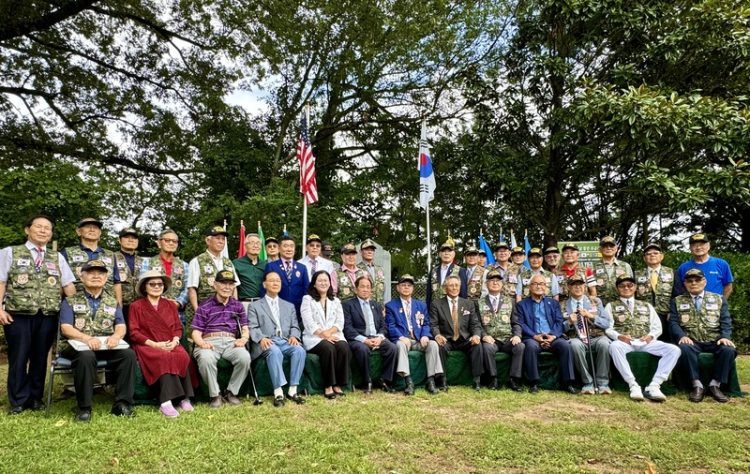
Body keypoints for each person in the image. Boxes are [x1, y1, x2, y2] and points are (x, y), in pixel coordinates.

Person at [0, 215, 76, 414]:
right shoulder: (10, 252)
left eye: (47, 228)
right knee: (19, 356)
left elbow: (68, 286)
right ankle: (18, 400)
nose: (43, 231)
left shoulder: (57, 257)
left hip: (48, 314)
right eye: (39, 227)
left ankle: (35, 398)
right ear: (27, 230)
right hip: (17, 314)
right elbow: (1, 282)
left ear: (51, 234)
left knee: (40, 357)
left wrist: (76, 310)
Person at [59, 260, 136, 422]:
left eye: (100, 273)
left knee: (128, 354)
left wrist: (116, 336)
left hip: (105, 348)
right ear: (82, 276)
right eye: (91, 272)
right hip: (76, 347)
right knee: (87, 356)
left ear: (106, 277)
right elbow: (66, 328)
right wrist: (87, 339)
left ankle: (122, 403)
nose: (96, 276)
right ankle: (84, 408)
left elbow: (121, 326)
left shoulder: (112, 301)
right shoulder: (70, 300)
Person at [128, 270, 193, 417]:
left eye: (160, 284)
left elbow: (177, 327)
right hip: (148, 344)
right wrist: (155, 345)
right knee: (163, 358)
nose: (157, 286)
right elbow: (134, 332)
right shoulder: (136, 306)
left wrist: (175, 341)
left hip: (170, 342)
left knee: (183, 356)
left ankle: (184, 398)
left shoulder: (170, 305)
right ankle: (165, 402)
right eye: (152, 284)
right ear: (145, 287)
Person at [605, 275, 680, 402]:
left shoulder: (646, 305)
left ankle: (654, 385)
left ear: (635, 288)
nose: (626, 288)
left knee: (674, 350)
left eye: (630, 285)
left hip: (645, 342)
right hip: (625, 342)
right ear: (617, 289)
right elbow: (608, 328)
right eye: (622, 286)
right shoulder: (610, 306)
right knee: (613, 346)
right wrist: (619, 336)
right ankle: (633, 384)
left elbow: (657, 327)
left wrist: (651, 336)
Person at [669, 269, 736, 403]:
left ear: (704, 282)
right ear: (685, 283)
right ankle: (697, 385)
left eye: (697, 280)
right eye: (689, 281)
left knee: (729, 350)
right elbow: (674, 322)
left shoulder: (718, 299)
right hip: (691, 340)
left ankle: (715, 385)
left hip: (714, 340)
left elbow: (726, 320)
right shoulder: (677, 301)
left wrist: (725, 337)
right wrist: (681, 335)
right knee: (683, 348)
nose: (693, 283)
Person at [191, 270, 251, 408]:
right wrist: (202, 343)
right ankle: (215, 395)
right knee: (206, 358)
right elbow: (195, 332)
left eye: (230, 284)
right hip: (209, 341)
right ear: (215, 285)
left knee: (244, 357)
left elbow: (245, 327)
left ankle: (231, 392)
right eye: (223, 283)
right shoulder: (204, 306)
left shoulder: (238, 306)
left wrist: (243, 339)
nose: (227, 287)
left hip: (231, 342)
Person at [248, 272, 306, 407]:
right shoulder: (255, 306)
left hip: (285, 340)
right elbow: (253, 327)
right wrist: (261, 338)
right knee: (274, 351)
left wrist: (294, 336)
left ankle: (292, 391)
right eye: (272, 281)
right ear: (264, 284)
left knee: (299, 351)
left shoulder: (289, 306)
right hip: (268, 341)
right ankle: (278, 392)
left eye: (278, 281)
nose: (275, 283)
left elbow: (295, 326)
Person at [514, 274, 577, 393]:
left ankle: (568, 382)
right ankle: (533, 383)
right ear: (530, 287)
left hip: (552, 336)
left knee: (565, 346)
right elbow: (521, 324)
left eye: (542, 284)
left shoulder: (553, 303)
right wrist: (535, 336)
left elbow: (559, 322)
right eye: (535, 284)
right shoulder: (521, 305)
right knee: (531, 346)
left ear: (546, 287)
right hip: (533, 337)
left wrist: (552, 336)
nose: (539, 286)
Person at [384, 274, 444, 395]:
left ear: (413, 288)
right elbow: (390, 326)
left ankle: (430, 380)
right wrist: (401, 337)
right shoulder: (391, 306)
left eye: (409, 285)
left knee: (432, 344)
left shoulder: (421, 305)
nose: (406, 287)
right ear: (398, 288)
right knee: (400, 345)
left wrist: (425, 335)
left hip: (418, 340)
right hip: (403, 339)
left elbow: (426, 323)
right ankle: (408, 381)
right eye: (403, 285)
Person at [300, 271, 351, 399]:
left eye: (326, 280)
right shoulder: (307, 299)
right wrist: (323, 335)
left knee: (344, 347)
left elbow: (340, 322)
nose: (323, 283)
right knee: (328, 348)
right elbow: (308, 322)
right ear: (314, 284)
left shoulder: (336, 301)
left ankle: (339, 384)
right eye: (320, 280)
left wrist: (329, 333)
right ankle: (328, 385)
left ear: (330, 283)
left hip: (334, 334)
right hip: (315, 337)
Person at [343, 276, 397, 393]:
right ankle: (367, 381)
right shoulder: (348, 305)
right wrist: (364, 340)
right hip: (358, 339)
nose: (365, 289)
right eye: (362, 286)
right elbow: (347, 328)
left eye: (368, 287)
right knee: (362, 349)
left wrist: (380, 337)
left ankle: (384, 380)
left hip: (376, 337)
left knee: (392, 348)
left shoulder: (376, 305)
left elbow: (383, 326)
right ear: (355, 289)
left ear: (371, 290)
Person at [430, 275, 484, 391]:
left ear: (460, 287)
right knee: (439, 346)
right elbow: (433, 324)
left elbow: (475, 324)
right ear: (445, 288)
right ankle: (442, 380)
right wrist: (437, 335)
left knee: (477, 345)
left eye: (456, 285)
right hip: (447, 339)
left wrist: (476, 335)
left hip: (464, 339)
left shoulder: (468, 304)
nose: (454, 288)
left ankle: (477, 380)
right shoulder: (437, 304)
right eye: (451, 285)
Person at [562, 276, 612, 395]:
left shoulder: (595, 301)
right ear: (569, 287)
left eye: (580, 284)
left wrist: (592, 316)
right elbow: (558, 328)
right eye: (574, 285)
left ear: (585, 286)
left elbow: (606, 323)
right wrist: (568, 322)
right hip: (576, 337)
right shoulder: (562, 304)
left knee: (604, 343)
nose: (577, 287)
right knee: (574, 345)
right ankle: (587, 382)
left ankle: (602, 383)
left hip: (596, 336)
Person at [477, 269, 524, 391]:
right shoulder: (478, 302)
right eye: (492, 280)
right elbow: (476, 324)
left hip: (508, 338)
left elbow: (516, 322)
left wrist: (517, 335)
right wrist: (484, 335)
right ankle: (493, 379)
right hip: (491, 339)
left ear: (502, 284)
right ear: (486, 284)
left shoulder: (511, 301)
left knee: (520, 346)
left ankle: (514, 380)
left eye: (498, 280)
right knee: (486, 347)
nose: (495, 283)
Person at [187, 225, 239, 324]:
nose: (221, 241)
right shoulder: (197, 261)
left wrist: (235, 307)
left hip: (226, 312)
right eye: (217, 238)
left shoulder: (228, 262)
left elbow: (234, 287)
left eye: (223, 239)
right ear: (208, 241)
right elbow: (192, 288)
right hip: (205, 311)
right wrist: (198, 311)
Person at [62, 217, 122, 303]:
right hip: (77, 304)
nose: (92, 229)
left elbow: (117, 283)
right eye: (87, 226)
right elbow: (62, 282)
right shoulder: (67, 253)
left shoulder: (110, 255)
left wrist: (119, 306)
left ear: (100, 232)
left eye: (95, 227)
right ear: (78, 231)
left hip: (106, 306)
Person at [140, 228, 189, 322]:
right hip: (152, 312)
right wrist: (159, 303)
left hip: (177, 314)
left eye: (174, 241)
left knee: (177, 336)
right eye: (167, 240)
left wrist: (178, 303)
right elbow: (142, 285)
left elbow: (187, 288)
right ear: (159, 243)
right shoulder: (147, 262)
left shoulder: (184, 265)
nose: (171, 243)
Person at [674, 233, 733, 299]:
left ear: (708, 246)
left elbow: (728, 286)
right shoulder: (683, 268)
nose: (698, 247)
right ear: (690, 248)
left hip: (715, 307)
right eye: (694, 245)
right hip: (690, 307)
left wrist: (722, 303)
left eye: (701, 244)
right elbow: (679, 289)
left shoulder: (721, 264)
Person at [635, 243, 674, 342]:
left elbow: (676, 293)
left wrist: (672, 311)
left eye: (656, 253)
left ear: (662, 256)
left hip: (666, 314)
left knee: (666, 341)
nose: (652, 255)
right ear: (644, 258)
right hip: (644, 314)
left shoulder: (672, 272)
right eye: (648, 254)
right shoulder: (637, 274)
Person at [264, 235, 310, 316]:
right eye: (285, 246)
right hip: (276, 309)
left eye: (291, 246)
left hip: (298, 310)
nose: (289, 249)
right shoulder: (271, 266)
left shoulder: (302, 268)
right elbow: (265, 289)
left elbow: (306, 290)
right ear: (279, 249)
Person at [592, 236, 633, 305]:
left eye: (611, 246)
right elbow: (589, 289)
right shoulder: (592, 267)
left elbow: (632, 287)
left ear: (616, 248)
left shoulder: (625, 266)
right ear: (600, 249)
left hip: (621, 305)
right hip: (600, 306)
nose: (609, 248)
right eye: (605, 246)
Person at [426, 238, 468, 306]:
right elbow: (429, 294)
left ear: (453, 254)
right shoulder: (433, 271)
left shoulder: (460, 270)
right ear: (439, 254)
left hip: (452, 309)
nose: (446, 253)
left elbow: (463, 293)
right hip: (435, 310)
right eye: (444, 251)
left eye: (449, 251)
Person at [114, 227, 143, 321]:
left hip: (140, 306)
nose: (131, 240)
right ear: (119, 240)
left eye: (134, 238)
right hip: (118, 305)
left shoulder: (143, 261)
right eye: (127, 237)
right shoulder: (111, 258)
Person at [233, 233, 267, 308]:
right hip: (245, 304)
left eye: (258, 243)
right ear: (245, 246)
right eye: (252, 243)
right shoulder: (236, 263)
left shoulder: (265, 264)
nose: (256, 245)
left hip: (262, 304)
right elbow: (233, 286)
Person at [358, 239, 387, 303]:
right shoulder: (357, 269)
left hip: (379, 307)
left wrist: (383, 305)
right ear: (361, 252)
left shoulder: (380, 269)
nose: (369, 252)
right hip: (364, 305)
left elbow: (384, 290)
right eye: (366, 249)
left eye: (371, 250)